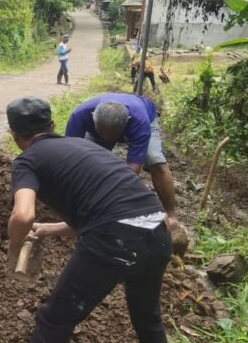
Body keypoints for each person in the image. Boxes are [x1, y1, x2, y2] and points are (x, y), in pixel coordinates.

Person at [0, 96, 171, 343]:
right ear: (52, 125)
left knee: (55, 319)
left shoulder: (28, 160)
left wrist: (13, 248)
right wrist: (51, 230)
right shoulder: (85, 149)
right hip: (156, 228)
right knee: (148, 320)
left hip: (115, 238)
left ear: (13, 133)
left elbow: (23, 214)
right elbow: (108, 203)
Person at [64, 93, 180, 240]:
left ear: (127, 123)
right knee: (87, 161)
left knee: (155, 160)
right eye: (103, 134)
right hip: (99, 129)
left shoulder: (139, 121)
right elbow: (69, 155)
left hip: (143, 117)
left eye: (112, 136)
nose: (108, 140)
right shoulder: (80, 115)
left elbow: (132, 172)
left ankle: (171, 214)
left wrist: (111, 202)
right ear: (93, 117)